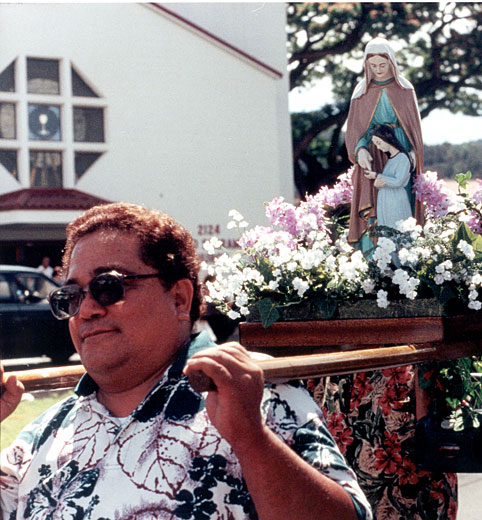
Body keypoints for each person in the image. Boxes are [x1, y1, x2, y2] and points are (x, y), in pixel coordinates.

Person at [0, 202, 371, 520]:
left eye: (108, 286)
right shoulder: (40, 437)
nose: (88, 310)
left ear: (179, 298)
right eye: (71, 296)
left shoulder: (253, 390)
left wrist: (252, 440)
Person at [345, 36, 424, 251]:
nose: (378, 70)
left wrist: (413, 152)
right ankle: (374, 255)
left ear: (391, 63)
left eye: (382, 64)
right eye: (373, 66)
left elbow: (413, 127)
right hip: (373, 152)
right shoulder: (361, 93)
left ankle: (403, 255)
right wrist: (360, 149)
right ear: (366, 66)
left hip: (400, 151)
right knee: (373, 202)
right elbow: (355, 130)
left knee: (400, 197)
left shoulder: (404, 90)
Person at [363, 124, 413, 229]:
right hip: (386, 200)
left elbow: (398, 181)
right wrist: (377, 181)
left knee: (397, 229)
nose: (378, 147)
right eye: (375, 144)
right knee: (387, 230)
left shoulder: (402, 158)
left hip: (395, 200)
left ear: (387, 138)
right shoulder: (391, 160)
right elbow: (386, 180)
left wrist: (376, 176)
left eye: (378, 143)